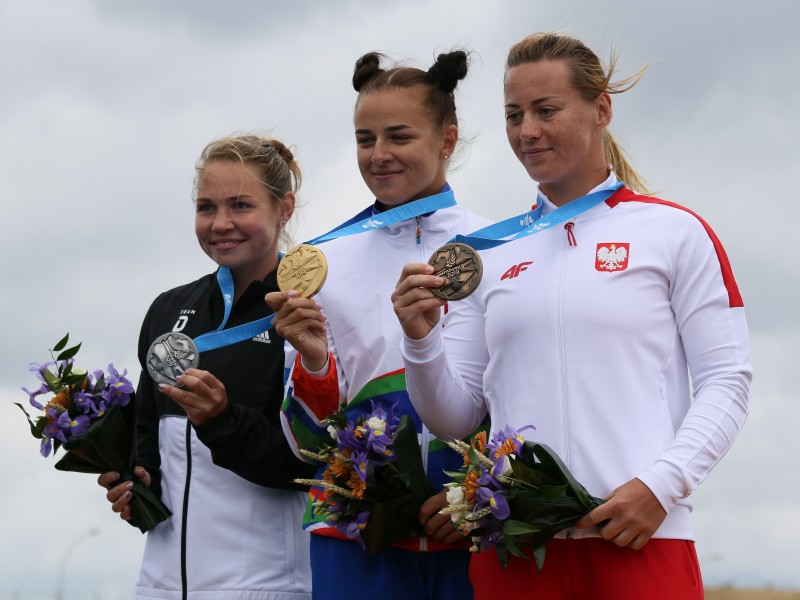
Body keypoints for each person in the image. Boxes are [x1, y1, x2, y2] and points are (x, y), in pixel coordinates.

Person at [392, 32, 752, 600]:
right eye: (514, 115)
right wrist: (420, 341)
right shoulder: (488, 249)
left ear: (601, 108)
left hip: (639, 537)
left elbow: (728, 380)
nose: (526, 131)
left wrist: (663, 486)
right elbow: (455, 419)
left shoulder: (675, 231)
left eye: (546, 110)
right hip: (515, 547)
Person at [268, 51, 492, 600]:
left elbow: (523, 391)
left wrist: (477, 489)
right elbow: (303, 444)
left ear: (448, 140)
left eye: (399, 137)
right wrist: (315, 364)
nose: (379, 155)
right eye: (365, 139)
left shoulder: (503, 247)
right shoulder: (322, 261)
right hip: (357, 539)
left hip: (472, 531)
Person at [98, 135, 314, 600]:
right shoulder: (169, 308)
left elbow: (308, 463)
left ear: (284, 208)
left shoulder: (306, 313)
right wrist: (135, 484)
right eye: (206, 207)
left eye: (240, 205)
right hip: (160, 583)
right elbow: (147, 434)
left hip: (266, 583)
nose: (221, 224)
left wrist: (221, 420)